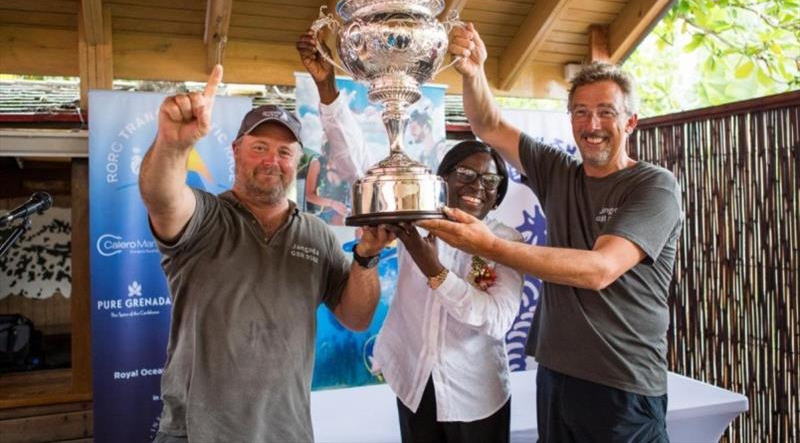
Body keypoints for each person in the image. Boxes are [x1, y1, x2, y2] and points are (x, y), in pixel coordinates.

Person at [417, 24, 684, 442]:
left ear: (630, 121)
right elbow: (487, 125)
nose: (591, 123)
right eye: (580, 111)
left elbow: (599, 269)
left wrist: (490, 247)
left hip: (623, 385)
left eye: (605, 112)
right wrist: (473, 74)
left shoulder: (653, 186)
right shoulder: (559, 171)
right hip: (557, 376)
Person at [138, 65, 394, 443]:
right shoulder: (205, 217)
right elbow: (161, 198)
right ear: (236, 150)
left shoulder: (316, 233)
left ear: (297, 161)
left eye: (284, 152)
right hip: (196, 433)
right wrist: (173, 145)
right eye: (259, 148)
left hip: (286, 432)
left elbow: (357, 317)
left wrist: (367, 256)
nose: (271, 161)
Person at [297, 32, 524, 442]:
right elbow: (360, 164)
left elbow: (495, 319)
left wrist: (430, 264)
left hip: (477, 394)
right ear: (442, 182)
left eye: (490, 180)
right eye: (465, 175)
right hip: (415, 383)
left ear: (498, 195)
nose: (478, 186)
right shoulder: (419, 217)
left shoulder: (506, 242)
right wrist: (328, 90)